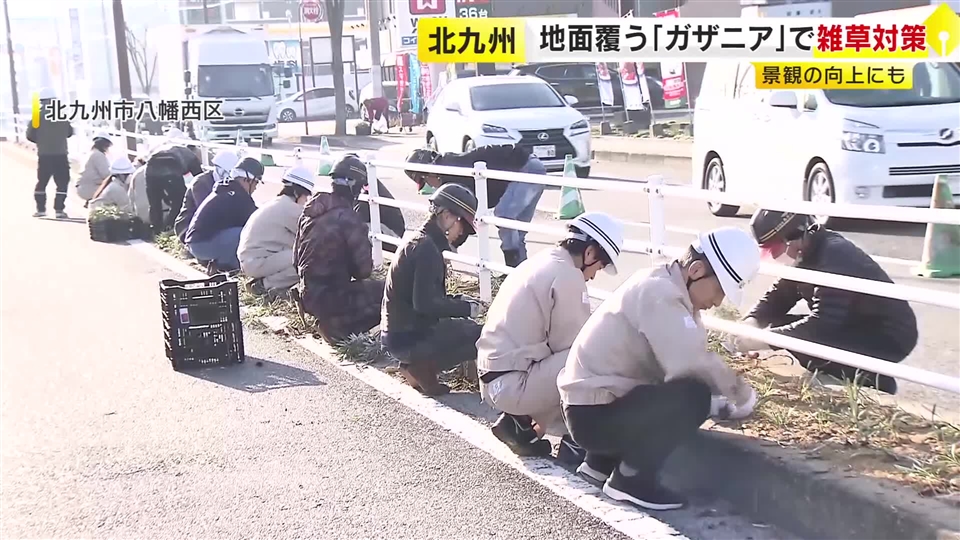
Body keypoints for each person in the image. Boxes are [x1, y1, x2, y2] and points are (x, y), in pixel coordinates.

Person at [558, 227, 762, 511]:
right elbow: (690, 363)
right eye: (718, 290)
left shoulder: (665, 287)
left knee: (671, 391)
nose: (717, 302)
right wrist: (739, 394)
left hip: (590, 408)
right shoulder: (660, 293)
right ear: (696, 269)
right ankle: (631, 479)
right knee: (693, 397)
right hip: (594, 417)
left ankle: (599, 463)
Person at [478, 212, 624, 459]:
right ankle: (577, 440)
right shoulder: (568, 276)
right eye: (599, 266)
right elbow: (575, 348)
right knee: (593, 355)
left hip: (493, 376)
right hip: (514, 384)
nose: (595, 274)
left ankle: (520, 424)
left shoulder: (541, 261)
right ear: (589, 253)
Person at [736, 210, 918, 395]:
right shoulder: (806, 252)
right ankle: (847, 370)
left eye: (776, 249)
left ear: (796, 234)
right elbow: (779, 297)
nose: (775, 257)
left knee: (803, 340)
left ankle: (873, 379)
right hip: (851, 323)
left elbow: (823, 323)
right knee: (781, 326)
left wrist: (764, 340)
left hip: (886, 335)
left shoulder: (835, 256)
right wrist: (750, 323)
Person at [381, 183, 484, 396]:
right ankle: (422, 367)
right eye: (461, 224)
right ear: (446, 216)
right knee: (480, 334)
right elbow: (426, 304)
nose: (462, 233)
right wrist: (466, 308)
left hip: (398, 334)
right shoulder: (426, 249)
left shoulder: (418, 241)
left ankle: (416, 367)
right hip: (409, 337)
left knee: (463, 328)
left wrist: (458, 300)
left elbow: (423, 297)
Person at [292, 154, 384, 344]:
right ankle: (338, 327)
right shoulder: (349, 218)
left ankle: (330, 320)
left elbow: (295, 259)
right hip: (332, 296)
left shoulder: (309, 212)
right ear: (354, 186)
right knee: (389, 293)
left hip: (306, 293)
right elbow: (364, 271)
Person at [405, 144, 546, 267]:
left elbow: (464, 216)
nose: (429, 185)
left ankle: (512, 271)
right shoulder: (449, 167)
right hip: (528, 167)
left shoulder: (453, 174)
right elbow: (466, 218)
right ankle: (518, 275)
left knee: (504, 217)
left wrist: (451, 245)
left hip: (526, 168)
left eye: (424, 180)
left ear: (429, 173)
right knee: (515, 233)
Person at [239, 165, 315, 297]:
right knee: (309, 260)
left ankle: (263, 282)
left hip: (252, 260)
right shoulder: (290, 208)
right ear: (297, 193)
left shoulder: (277, 203)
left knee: (301, 253)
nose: (306, 201)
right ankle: (265, 286)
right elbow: (314, 233)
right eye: (306, 196)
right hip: (257, 261)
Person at [185, 157, 263, 272]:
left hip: (197, 242)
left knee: (239, 233)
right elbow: (257, 221)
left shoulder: (227, 189)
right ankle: (227, 268)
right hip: (201, 245)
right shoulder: (238, 196)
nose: (256, 187)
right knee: (246, 234)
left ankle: (222, 266)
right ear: (246, 179)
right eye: (256, 182)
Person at [174, 149, 240, 243]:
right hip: (188, 227)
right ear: (218, 168)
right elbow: (206, 212)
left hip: (207, 226)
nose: (228, 176)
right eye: (226, 172)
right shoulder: (201, 182)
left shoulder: (227, 183)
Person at [26, 87, 73, 218]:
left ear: (41, 101)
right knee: (62, 182)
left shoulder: (37, 115)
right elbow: (69, 133)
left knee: (42, 182)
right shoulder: (62, 114)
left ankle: (41, 210)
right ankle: (59, 210)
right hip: (61, 154)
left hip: (44, 155)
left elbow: (29, 135)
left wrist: (41, 141)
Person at [145, 128, 203, 233]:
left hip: (150, 168)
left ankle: (155, 229)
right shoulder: (189, 154)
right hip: (170, 167)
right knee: (180, 200)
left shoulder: (162, 147)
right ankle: (170, 226)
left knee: (155, 202)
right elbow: (200, 178)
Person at [76, 132, 113, 203]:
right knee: (115, 191)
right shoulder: (98, 155)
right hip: (89, 188)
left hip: (83, 187)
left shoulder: (91, 153)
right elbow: (106, 175)